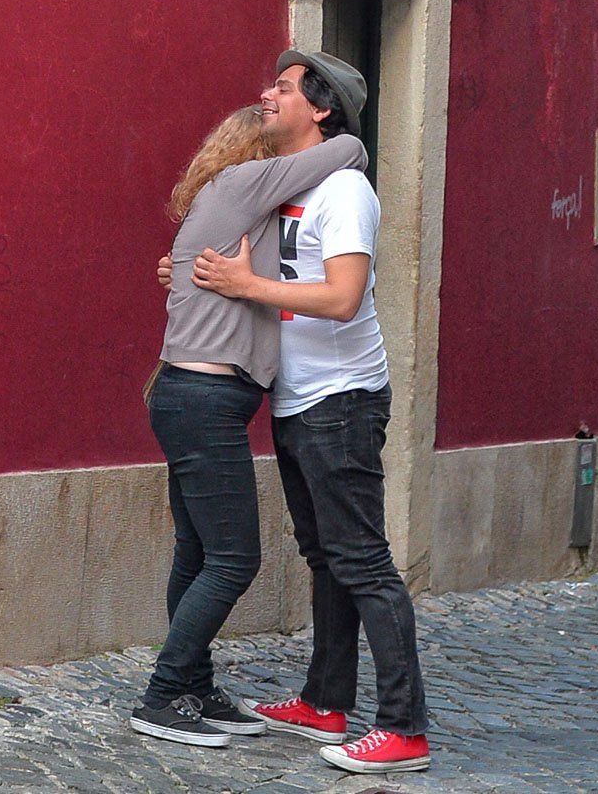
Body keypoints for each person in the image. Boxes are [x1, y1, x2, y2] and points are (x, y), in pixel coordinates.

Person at [188, 50, 432, 775]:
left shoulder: (344, 191)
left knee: (362, 560)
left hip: (342, 400)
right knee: (325, 556)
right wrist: (203, 275)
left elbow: (342, 297)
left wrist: (247, 283)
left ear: (321, 109)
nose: (267, 94)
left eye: (285, 88)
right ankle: (325, 702)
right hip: (299, 398)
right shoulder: (290, 186)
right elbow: (269, 273)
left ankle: (404, 727)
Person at [130, 104, 366, 749]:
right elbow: (346, 151)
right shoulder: (241, 185)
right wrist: (325, 118)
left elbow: (220, 278)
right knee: (235, 558)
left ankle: (194, 687)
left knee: (198, 551)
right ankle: (162, 693)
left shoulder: (238, 212)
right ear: (258, 150)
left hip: (196, 397)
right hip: (203, 398)